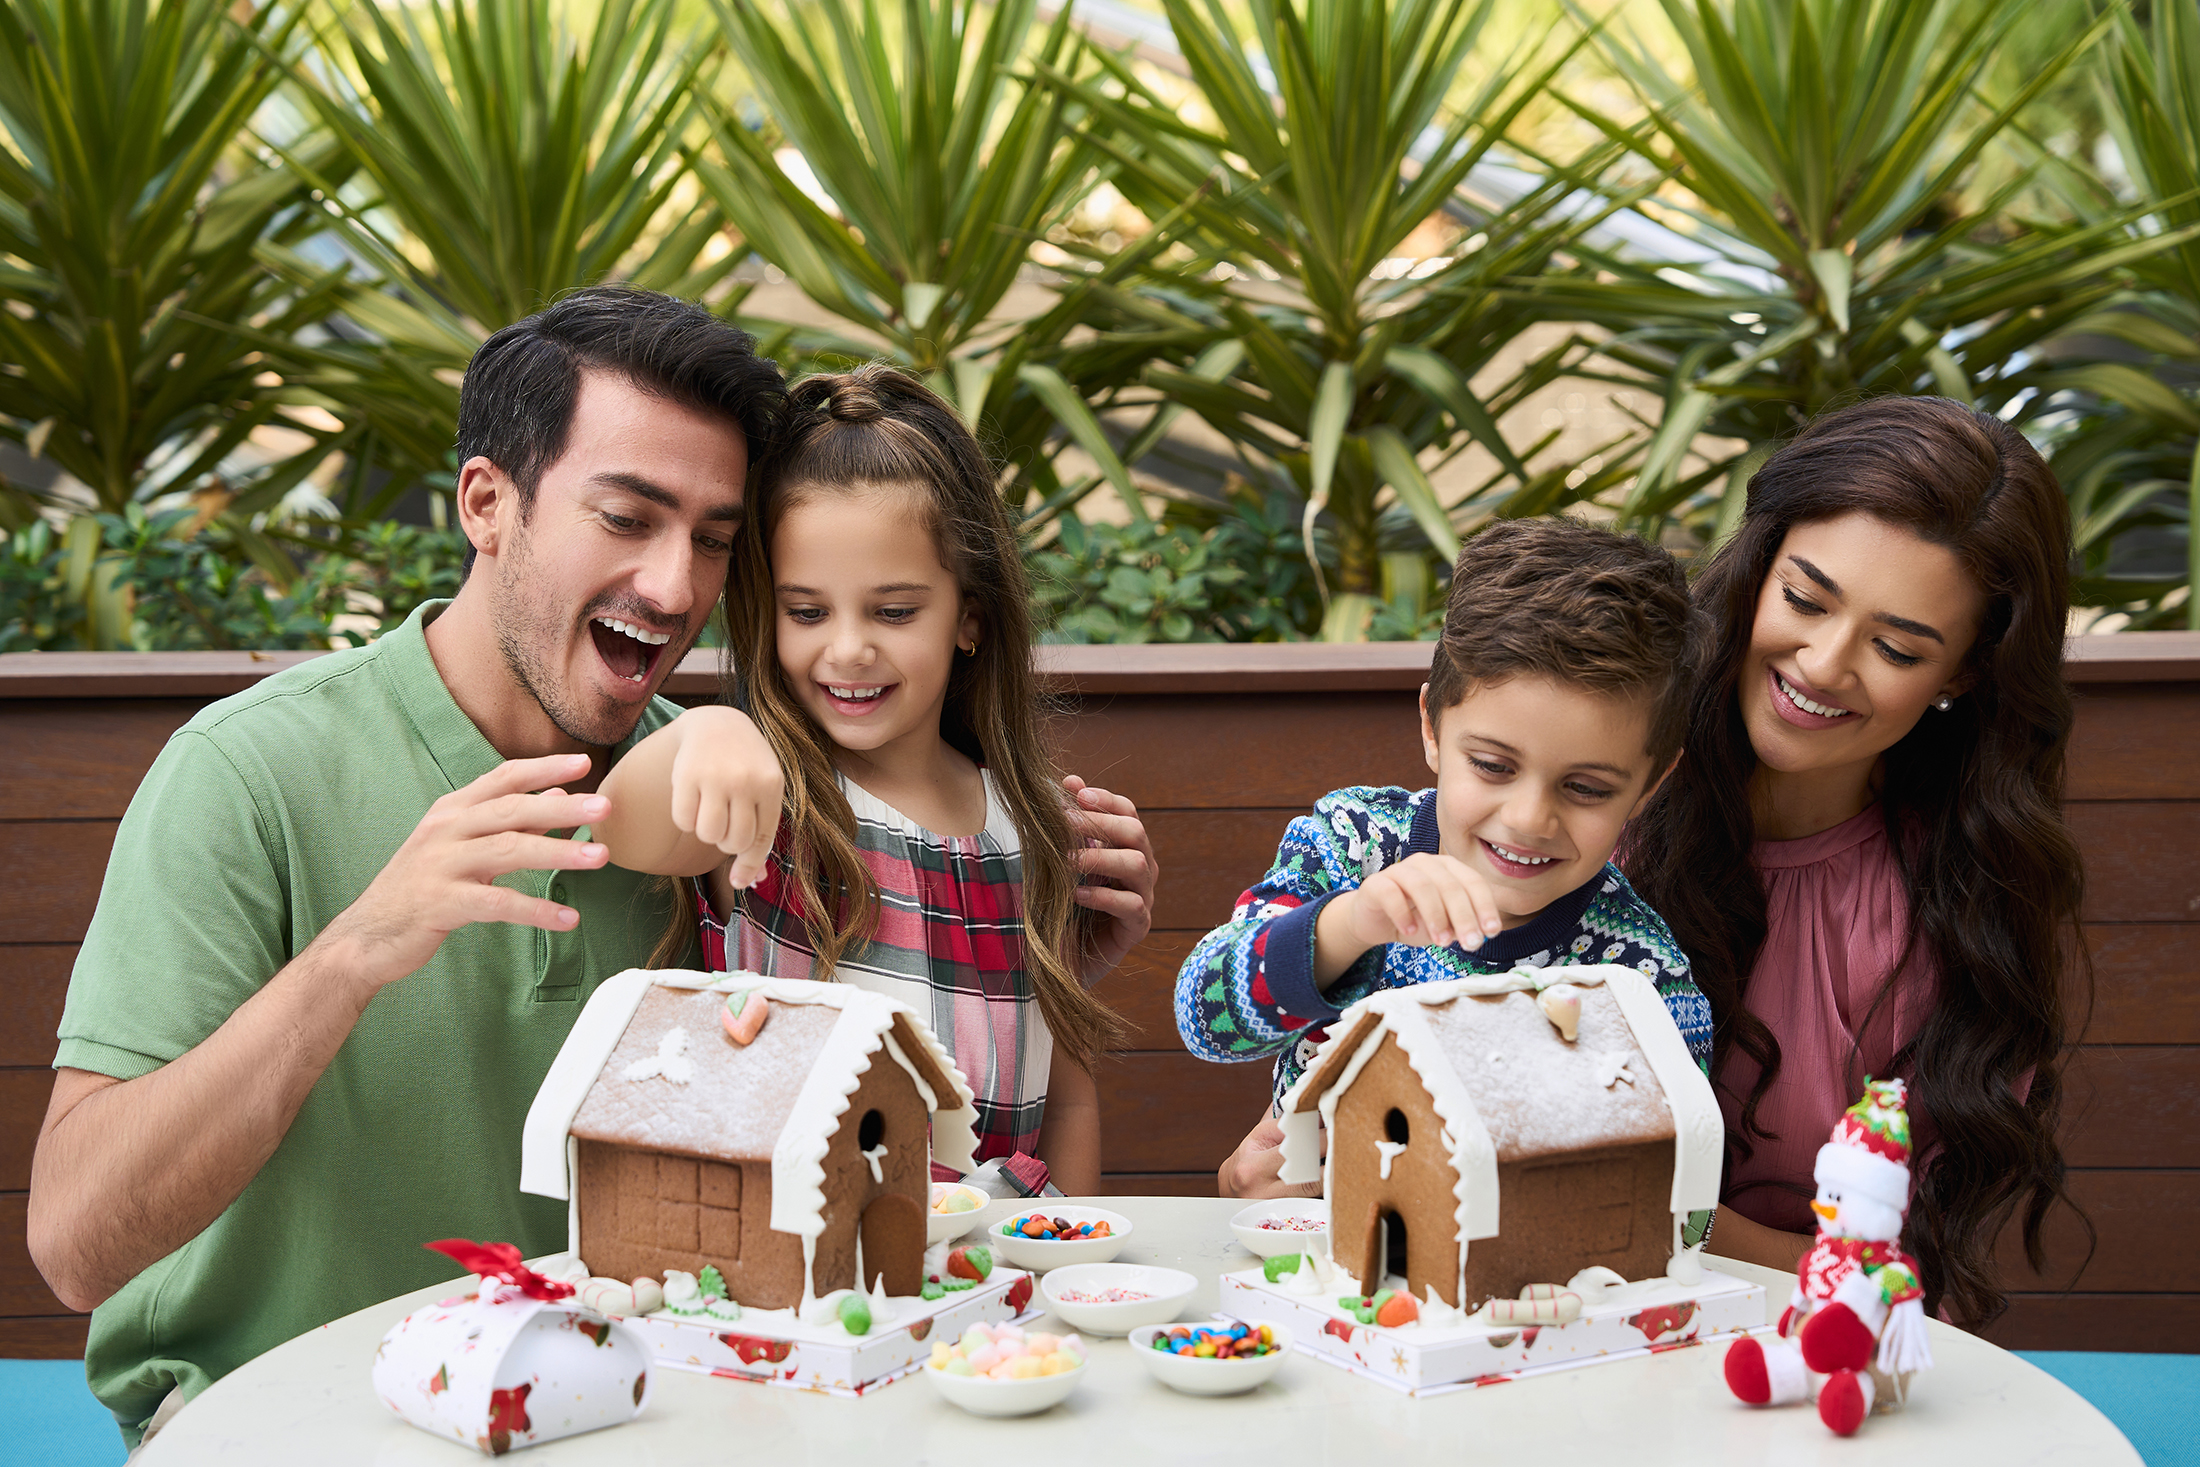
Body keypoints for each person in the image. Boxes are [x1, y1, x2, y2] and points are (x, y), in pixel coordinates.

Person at [27, 287, 788, 1447]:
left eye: (713, 541)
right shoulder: (246, 772)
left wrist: (1050, 883)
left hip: (604, 1422)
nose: (677, 587)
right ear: (487, 505)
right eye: (627, 518)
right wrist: (354, 953)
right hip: (271, 1430)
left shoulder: (702, 796)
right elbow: (76, 1247)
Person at [592, 365, 1157, 1197]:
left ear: (970, 615)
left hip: (991, 1263)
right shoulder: (776, 800)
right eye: (807, 611)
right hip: (806, 1255)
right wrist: (707, 729)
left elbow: (1065, 1096)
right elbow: (617, 824)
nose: (849, 649)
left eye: (894, 611)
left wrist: (1065, 1250)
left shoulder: (1031, 824)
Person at [1623, 395, 2087, 1329]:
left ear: (1962, 674)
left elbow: (1894, 1274)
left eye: (1895, 647)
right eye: (1804, 599)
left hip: (1807, 1355)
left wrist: (1667, 1225)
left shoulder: (1952, 911)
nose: (1824, 663)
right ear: (1757, 569)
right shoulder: (1599, 803)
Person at [1190, 518, 1714, 1199]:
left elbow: (1679, 1199)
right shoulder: (1352, 845)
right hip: (1297, 1248)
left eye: (1585, 788)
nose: (1528, 818)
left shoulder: (1640, 979)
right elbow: (1206, 1017)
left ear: (1649, 786)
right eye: (1493, 765)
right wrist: (1351, 923)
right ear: (1433, 728)